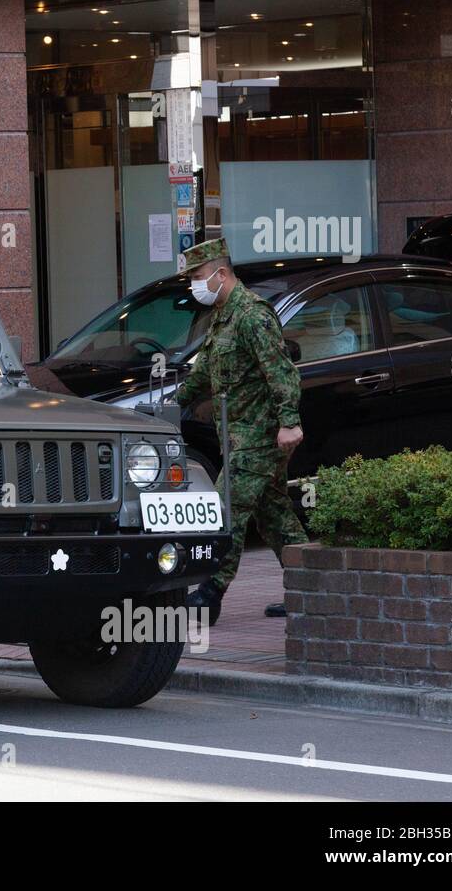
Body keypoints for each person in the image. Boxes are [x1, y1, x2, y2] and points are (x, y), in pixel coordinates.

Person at [174, 237, 308, 624]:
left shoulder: (252, 315)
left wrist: (289, 423)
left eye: (198, 277)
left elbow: (281, 372)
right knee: (274, 514)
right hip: (237, 437)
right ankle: (311, 590)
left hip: (259, 438)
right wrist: (175, 401)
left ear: (221, 273)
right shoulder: (223, 315)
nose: (194, 286)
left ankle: (209, 593)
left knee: (223, 510)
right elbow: (204, 372)